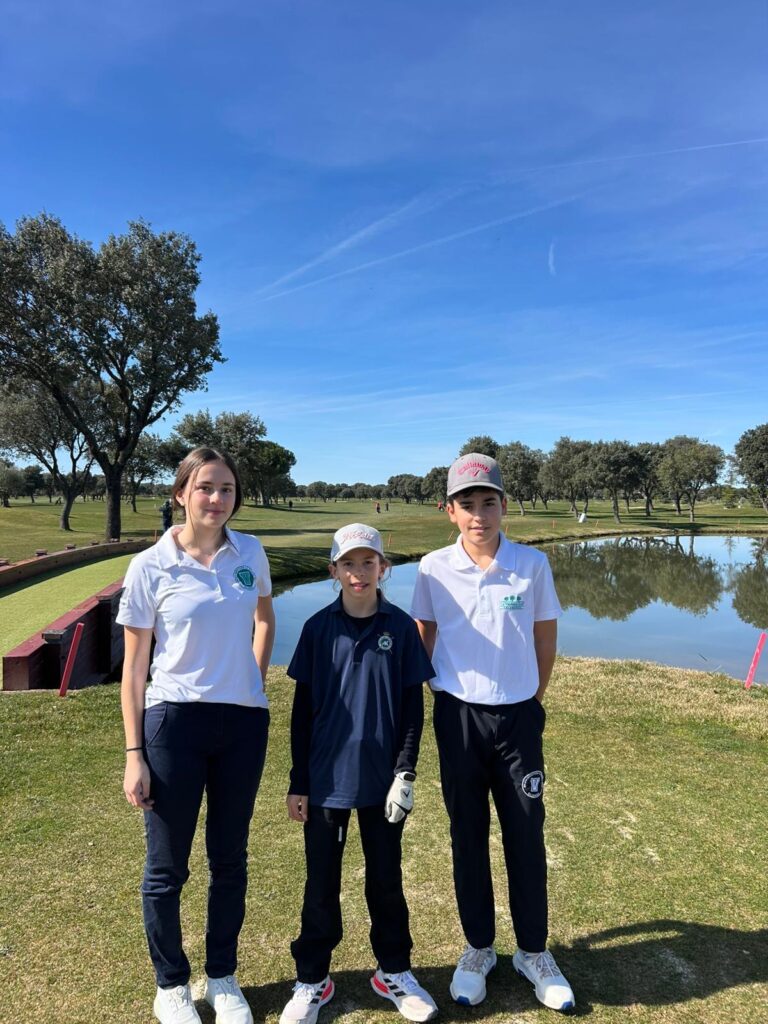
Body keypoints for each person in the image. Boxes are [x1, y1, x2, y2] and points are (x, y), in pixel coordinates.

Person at [410, 453, 575, 1014]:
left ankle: (533, 951)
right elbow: (424, 636)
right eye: (467, 504)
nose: (478, 515)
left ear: (504, 505)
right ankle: (479, 947)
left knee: (525, 834)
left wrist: (531, 700)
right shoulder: (432, 568)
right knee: (467, 834)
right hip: (457, 717)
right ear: (450, 511)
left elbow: (545, 639)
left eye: (488, 502)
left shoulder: (531, 564)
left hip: (518, 718)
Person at [118, 447, 275, 1024]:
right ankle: (171, 985)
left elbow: (265, 617)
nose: (217, 498)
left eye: (227, 489)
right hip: (173, 724)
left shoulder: (250, 551)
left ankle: (223, 977)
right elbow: (135, 668)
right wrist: (134, 753)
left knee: (229, 858)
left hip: (242, 725)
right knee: (167, 867)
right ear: (181, 493)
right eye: (206, 487)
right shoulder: (151, 565)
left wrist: (253, 679)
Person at [280, 524, 438, 1024]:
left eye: (368, 562)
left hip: (382, 781)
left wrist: (405, 772)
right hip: (326, 781)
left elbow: (412, 710)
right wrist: (298, 781)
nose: (359, 573)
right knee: (321, 884)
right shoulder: (316, 628)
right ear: (334, 571)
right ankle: (312, 979)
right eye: (348, 563)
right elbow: (301, 714)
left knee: (386, 879)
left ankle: (393, 970)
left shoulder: (401, 628)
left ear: (383, 568)